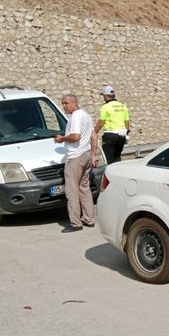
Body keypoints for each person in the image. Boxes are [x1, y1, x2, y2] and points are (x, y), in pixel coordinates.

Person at [54, 94, 96, 233]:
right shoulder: (86, 115)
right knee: (84, 188)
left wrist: (62, 139)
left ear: (75, 103)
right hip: (86, 155)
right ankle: (89, 219)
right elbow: (93, 137)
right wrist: (93, 154)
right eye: (62, 103)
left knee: (72, 191)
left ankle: (75, 223)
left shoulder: (76, 116)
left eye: (66, 103)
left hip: (75, 157)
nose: (64, 106)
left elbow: (76, 137)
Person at [94, 85, 130, 164]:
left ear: (106, 95)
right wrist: (126, 135)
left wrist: (93, 133)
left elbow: (101, 122)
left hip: (110, 136)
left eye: (103, 95)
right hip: (122, 136)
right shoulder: (123, 106)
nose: (103, 97)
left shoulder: (105, 107)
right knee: (117, 158)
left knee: (108, 159)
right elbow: (127, 122)